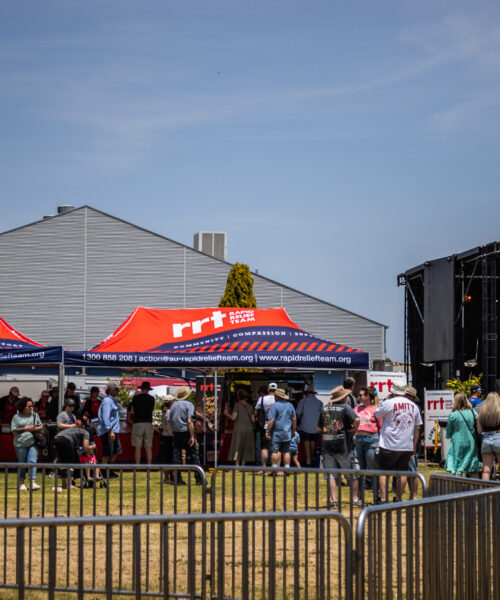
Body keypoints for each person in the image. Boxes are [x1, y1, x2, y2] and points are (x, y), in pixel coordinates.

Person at [374, 382, 422, 503]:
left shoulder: (388, 403)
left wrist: (386, 400)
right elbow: (417, 427)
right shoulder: (414, 406)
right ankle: (398, 498)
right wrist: (414, 445)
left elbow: (377, 414)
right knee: (402, 472)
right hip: (406, 445)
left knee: (384, 472)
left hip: (388, 444)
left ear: (393, 391)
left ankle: (384, 499)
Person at [320, 385, 360, 508]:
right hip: (343, 445)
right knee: (353, 472)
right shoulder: (345, 407)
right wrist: (354, 430)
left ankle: (333, 501)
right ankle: (354, 500)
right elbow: (357, 419)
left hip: (327, 444)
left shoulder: (325, 408)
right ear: (342, 397)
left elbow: (318, 427)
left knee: (331, 474)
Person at [168, 386, 202, 485]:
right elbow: (189, 421)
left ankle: (178, 479)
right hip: (186, 432)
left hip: (176, 432)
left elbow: (169, 422)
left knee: (176, 456)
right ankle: (199, 478)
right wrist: (192, 436)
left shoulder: (173, 405)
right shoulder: (189, 404)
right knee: (193, 455)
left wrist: (171, 433)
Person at [353, 386, 381, 498]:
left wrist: (380, 443)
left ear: (368, 396)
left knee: (373, 468)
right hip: (358, 439)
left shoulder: (376, 409)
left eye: (361, 395)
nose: (359, 397)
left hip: (372, 440)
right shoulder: (356, 409)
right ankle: (359, 495)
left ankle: (376, 494)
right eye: (359, 395)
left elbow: (380, 427)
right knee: (359, 469)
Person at [10, 397, 43, 490]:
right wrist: (26, 428)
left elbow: (41, 426)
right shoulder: (16, 417)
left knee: (32, 462)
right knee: (22, 463)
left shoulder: (35, 415)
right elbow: (14, 430)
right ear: (23, 407)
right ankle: (21, 483)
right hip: (20, 444)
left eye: (32, 406)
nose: (31, 407)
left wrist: (35, 428)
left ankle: (32, 482)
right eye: (29, 406)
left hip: (33, 442)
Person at [444, 392, 480, 477]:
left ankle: (459, 485)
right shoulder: (473, 413)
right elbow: (478, 427)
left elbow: (448, 432)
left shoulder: (453, 415)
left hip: (457, 443)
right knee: (472, 467)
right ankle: (477, 485)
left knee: (457, 468)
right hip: (471, 442)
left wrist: (449, 435)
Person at [266, 388, 296, 473]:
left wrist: (267, 431)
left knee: (274, 451)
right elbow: (294, 419)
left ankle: (274, 470)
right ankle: (287, 469)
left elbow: (271, 420)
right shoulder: (290, 405)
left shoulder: (275, 406)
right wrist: (293, 431)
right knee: (286, 452)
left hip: (276, 433)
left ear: (277, 396)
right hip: (287, 433)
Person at [54, 425, 94, 489]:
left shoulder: (76, 430)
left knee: (62, 463)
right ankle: (70, 485)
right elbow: (86, 448)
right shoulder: (86, 433)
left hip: (56, 438)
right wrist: (93, 446)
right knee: (71, 463)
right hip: (66, 440)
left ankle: (64, 485)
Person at [225, 389, 255, 466]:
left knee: (237, 447)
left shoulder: (237, 405)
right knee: (246, 448)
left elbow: (233, 418)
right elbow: (253, 420)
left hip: (239, 429)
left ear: (238, 397)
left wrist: (226, 414)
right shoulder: (250, 406)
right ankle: (243, 466)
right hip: (249, 429)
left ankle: (237, 465)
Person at [97, 383, 122, 474]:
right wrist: (110, 431)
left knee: (116, 450)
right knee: (107, 453)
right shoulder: (107, 401)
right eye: (116, 389)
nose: (118, 391)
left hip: (113, 431)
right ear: (111, 390)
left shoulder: (112, 400)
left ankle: (109, 470)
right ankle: (103, 472)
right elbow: (105, 417)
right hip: (108, 431)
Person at [296, 385, 323, 467]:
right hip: (316, 427)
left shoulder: (302, 401)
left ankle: (308, 461)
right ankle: (312, 459)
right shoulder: (320, 402)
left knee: (306, 443)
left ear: (306, 393)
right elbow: (322, 416)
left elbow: (298, 415)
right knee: (313, 443)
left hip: (305, 426)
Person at [129, 381, 155, 465]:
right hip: (148, 423)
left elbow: (132, 409)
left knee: (138, 447)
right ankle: (149, 466)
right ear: (148, 389)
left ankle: (137, 465)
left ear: (141, 388)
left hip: (138, 423)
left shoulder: (136, 398)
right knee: (148, 447)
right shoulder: (152, 399)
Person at [477, 392, 500, 481]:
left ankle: (484, 489)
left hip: (486, 440)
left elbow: (479, 431)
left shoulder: (481, 411)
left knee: (486, 470)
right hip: (498, 438)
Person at [254, 382, 277, 469]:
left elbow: (256, 412)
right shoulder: (278, 399)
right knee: (275, 448)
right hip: (276, 426)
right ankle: (274, 467)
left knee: (264, 448)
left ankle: (263, 467)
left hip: (265, 425)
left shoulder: (262, 399)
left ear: (268, 389)